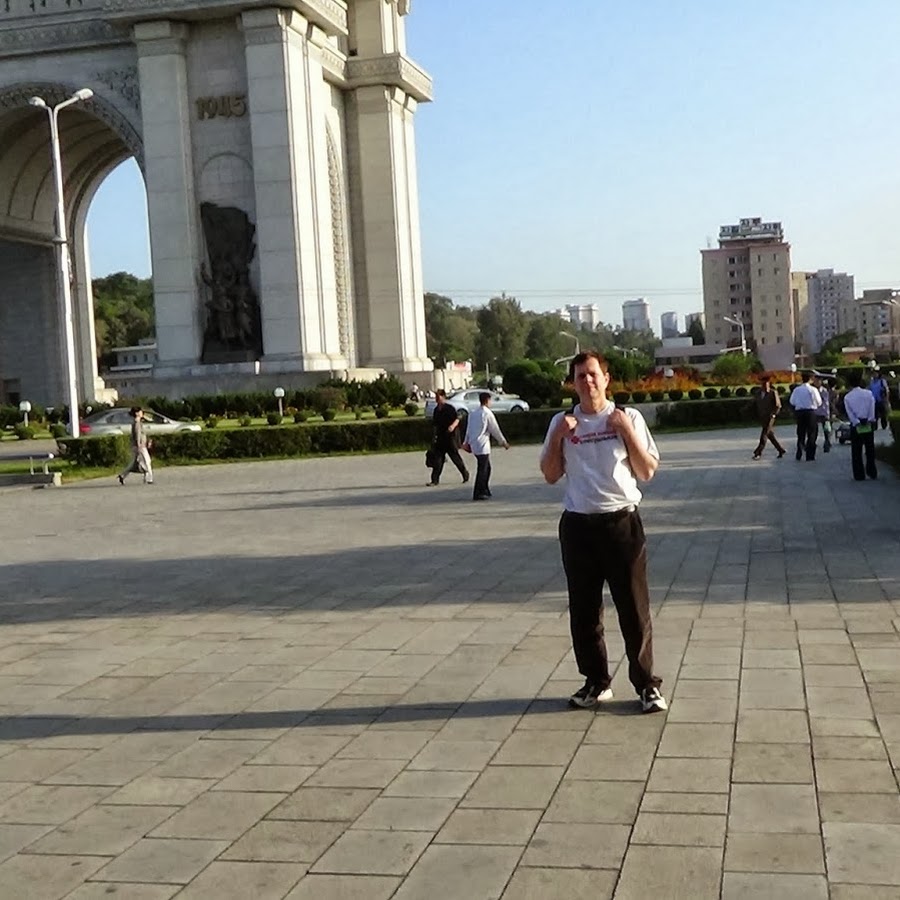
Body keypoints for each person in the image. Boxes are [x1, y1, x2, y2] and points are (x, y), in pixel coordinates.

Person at [540, 351, 667, 714]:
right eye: (580, 376)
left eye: (593, 374)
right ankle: (596, 682)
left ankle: (646, 685)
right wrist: (558, 438)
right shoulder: (562, 423)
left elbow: (647, 471)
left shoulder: (628, 417)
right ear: (573, 383)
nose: (588, 381)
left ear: (606, 379)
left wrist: (625, 431)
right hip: (578, 526)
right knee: (584, 611)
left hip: (621, 525)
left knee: (634, 609)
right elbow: (550, 474)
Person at [463, 392, 509, 500]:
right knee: (483, 469)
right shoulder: (487, 413)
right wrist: (503, 442)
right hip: (482, 444)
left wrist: (466, 442)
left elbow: (469, 429)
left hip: (474, 443)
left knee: (486, 467)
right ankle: (478, 492)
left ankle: (485, 489)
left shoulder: (473, 413)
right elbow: (494, 429)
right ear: (487, 400)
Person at [427, 390, 469, 486]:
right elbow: (435, 425)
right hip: (440, 437)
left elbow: (457, 418)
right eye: (436, 397)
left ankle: (465, 474)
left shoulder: (449, 408)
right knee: (438, 459)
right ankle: (434, 480)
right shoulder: (436, 410)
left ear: (443, 397)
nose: (436, 399)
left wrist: (452, 426)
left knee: (455, 458)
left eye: (438, 397)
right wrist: (434, 437)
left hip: (450, 437)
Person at [844, 370, 878, 481]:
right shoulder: (868, 394)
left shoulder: (848, 397)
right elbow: (872, 408)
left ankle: (859, 474)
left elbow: (849, 413)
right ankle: (871, 470)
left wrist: (856, 422)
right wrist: (870, 419)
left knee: (856, 450)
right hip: (867, 422)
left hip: (856, 424)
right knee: (870, 449)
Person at [788, 372, 822, 461]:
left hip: (800, 412)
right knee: (812, 433)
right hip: (810, 412)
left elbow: (792, 401)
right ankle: (810, 455)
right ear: (810, 379)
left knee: (801, 433)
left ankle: (799, 451)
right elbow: (819, 402)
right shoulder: (813, 390)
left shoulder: (797, 390)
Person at [117, 406, 153, 485]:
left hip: (139, 445)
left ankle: (122, 475)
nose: (142, 413)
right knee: (147, 461)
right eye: (140, 411)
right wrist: (139, 445)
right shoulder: (137, 423)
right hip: (140, 446)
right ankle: (149, 478)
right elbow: (138, 435)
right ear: (137, 413)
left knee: (133, 463)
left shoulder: (138, 422)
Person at [752, 376, 786, 460]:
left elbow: (778, 405)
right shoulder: (758, 393)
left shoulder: (773, 392)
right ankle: (780, 450)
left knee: (764, 435)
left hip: (770, 417)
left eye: (766, 384)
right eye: (763, 384)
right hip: (762, 417)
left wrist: (774, 414)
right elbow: (754, 403)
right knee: (770, 435)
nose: (765, 385)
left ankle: (758, 452)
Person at [813, 376, 834, 453]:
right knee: (814, 430)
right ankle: (812, 444)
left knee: (826, 430)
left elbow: (826, 403)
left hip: (823, 412)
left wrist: (827, 414)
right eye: (815, 381)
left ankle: (827, 444)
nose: (817, 382)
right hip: (814, 412)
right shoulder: (812, 390)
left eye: (818, 381)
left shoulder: (824, 391)